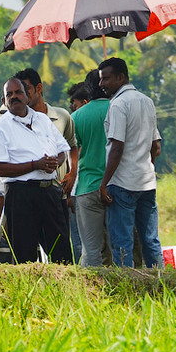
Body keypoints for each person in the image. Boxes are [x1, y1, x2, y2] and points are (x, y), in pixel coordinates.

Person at [0, 77, 72, 264]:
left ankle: (67, 290)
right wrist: (35, 165)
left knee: (62, 251)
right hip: (20, 194)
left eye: (18, 93)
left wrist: (54, 163)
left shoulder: (42, 119)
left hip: (50, 190)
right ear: (4, 101)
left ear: (27, 96)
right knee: (25, 254)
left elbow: (63, 150)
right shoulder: (1, 128)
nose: (14, 97)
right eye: (9, 94)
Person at [98, 57, 163, 268]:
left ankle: (125, 288)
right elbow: (156, 147)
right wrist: (148, 167)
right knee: (150, 240)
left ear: (121, 77)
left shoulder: (118, 104)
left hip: (123, 184)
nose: (101, 84)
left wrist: (104, 183)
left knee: (122, 244)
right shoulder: (147, 101)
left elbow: (117, 147)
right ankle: (162, 282)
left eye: (106, 79)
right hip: (146, 183)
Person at [15, 68, 80, 262]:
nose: (21, 96)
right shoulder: (11, 119)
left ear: (39, 88)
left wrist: (72, 173)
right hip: (25, 192)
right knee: (27, 253)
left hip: (56, 191)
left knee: (61, 250)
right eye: (17, 91)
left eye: (25, 90)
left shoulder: (62, 116)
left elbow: (71, 147)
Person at [72, 71, 114, 267]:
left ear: (88, 90)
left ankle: (89, 291)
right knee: (120, 247)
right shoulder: (117, 109)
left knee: (91, 250)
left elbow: (71, 152)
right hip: (117, 186)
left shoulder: (77, 117)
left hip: (87, 187)